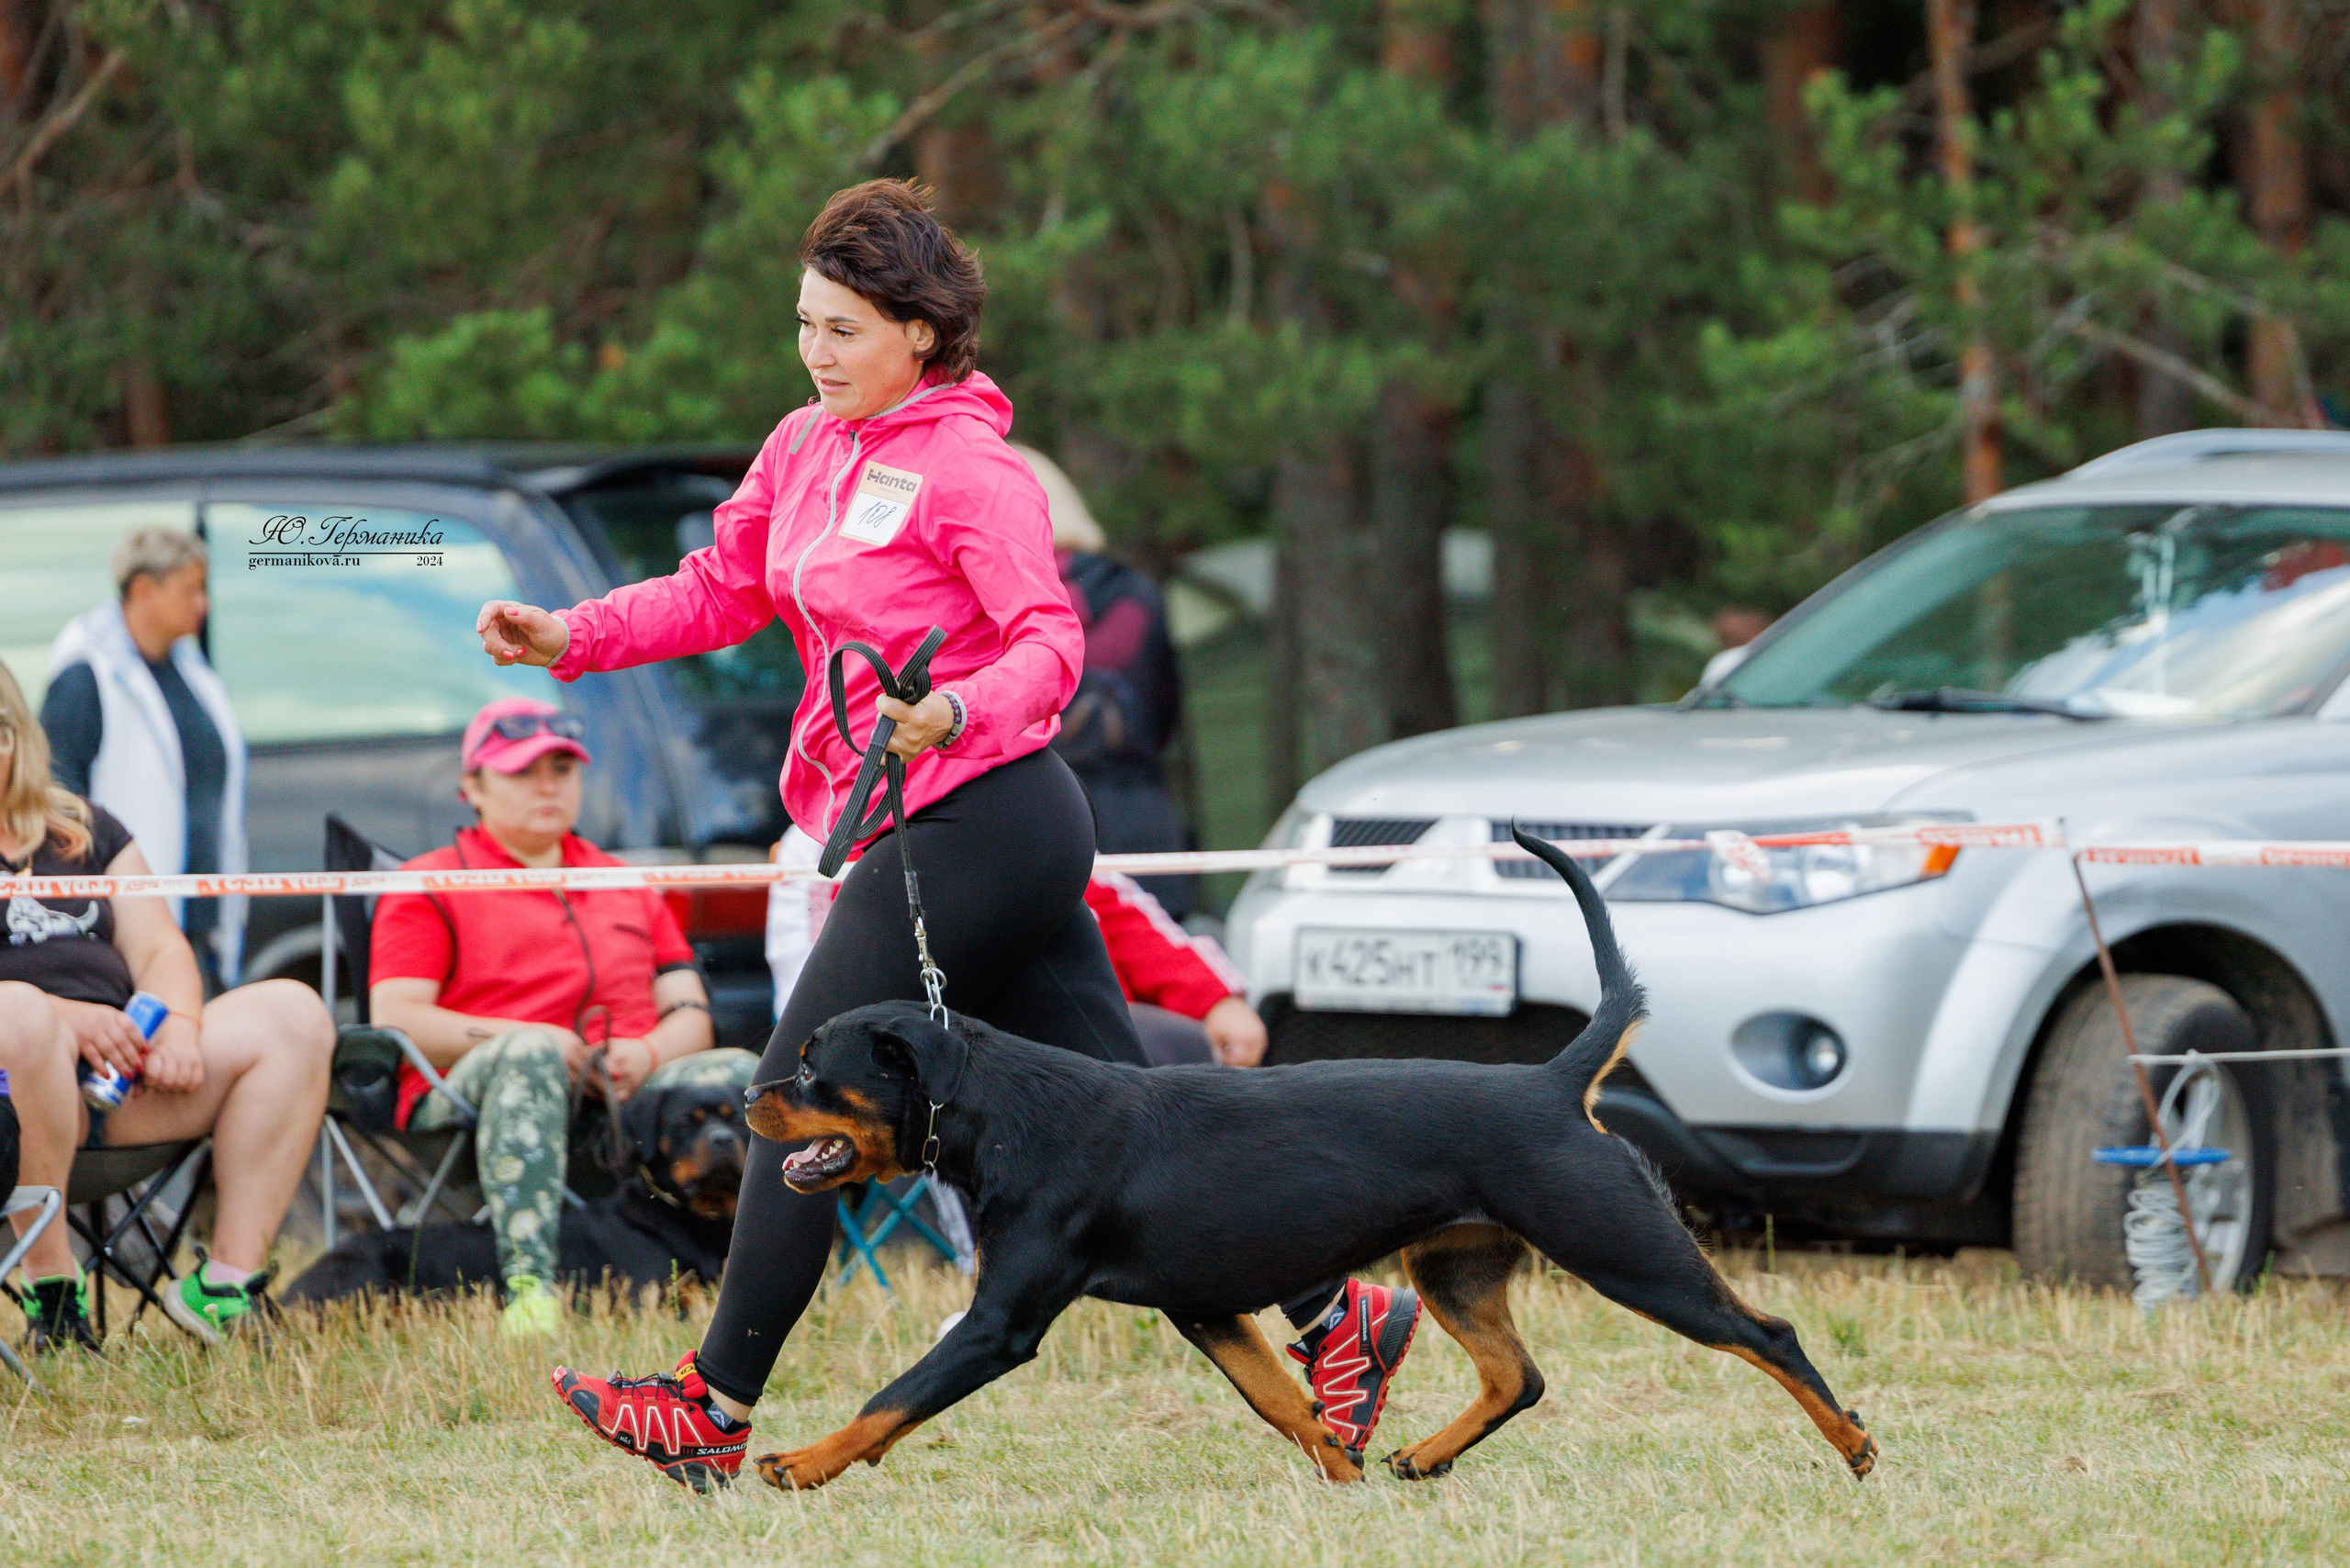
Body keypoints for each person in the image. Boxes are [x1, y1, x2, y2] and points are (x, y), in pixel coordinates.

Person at [485, 180, 1417, 1492]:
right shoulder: (804, 446)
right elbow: (718, 588)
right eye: (803, 324)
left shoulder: (974, 468)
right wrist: (573, 635)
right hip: (914, 821)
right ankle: (1340, 1313)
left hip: (985, 814)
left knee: (796, 1083)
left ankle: (711, 1403)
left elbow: (1052, 644)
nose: (816, 352)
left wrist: (957, 707)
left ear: (920, 331)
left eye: (845, 329)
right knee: (1145, 1130)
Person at [367, 697, 758, 1338]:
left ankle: (748, 1269)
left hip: (628, 1085)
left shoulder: (625, 881)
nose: (547, 785)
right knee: (532, 1055)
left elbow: (690, 1012)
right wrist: (530, 1036)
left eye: (562, 768)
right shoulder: (430, 880)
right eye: (523, 771)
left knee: (742, 1071)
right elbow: (397, 1018)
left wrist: (649, 1054)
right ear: (473, 787)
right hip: (475, 1086)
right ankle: (529, 1290)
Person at [0, 663, 329, 1350]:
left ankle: (222, 1290)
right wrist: (65, 1017)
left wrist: (178, 1023)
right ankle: (53, 1291)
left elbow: (159, 949)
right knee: (20, 1016)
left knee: (293, 1014)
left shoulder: (85, 831)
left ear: (20, 738)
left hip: (118, 1082)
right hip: (12, 1091)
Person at [767, 826, 1265, 1067]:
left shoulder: (1024, 806)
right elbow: (808, 997)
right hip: (943, 1048)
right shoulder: (815, 843)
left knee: (1180, 1043)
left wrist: (1214, 999)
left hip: (1088, 1030)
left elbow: (1122, 911)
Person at [43, 528, 249, 994]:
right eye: (190, 589)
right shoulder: (84, 676)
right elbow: (57, 797)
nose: (203, 604)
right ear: (142, 589)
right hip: (131, 928)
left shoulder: (191, 671)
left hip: (197, 921)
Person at [1024, 447, 1200, 920]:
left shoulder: (1001, 600)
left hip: (1041, 822)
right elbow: (1164, 711)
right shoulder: (1136, 593)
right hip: (1142, 819)